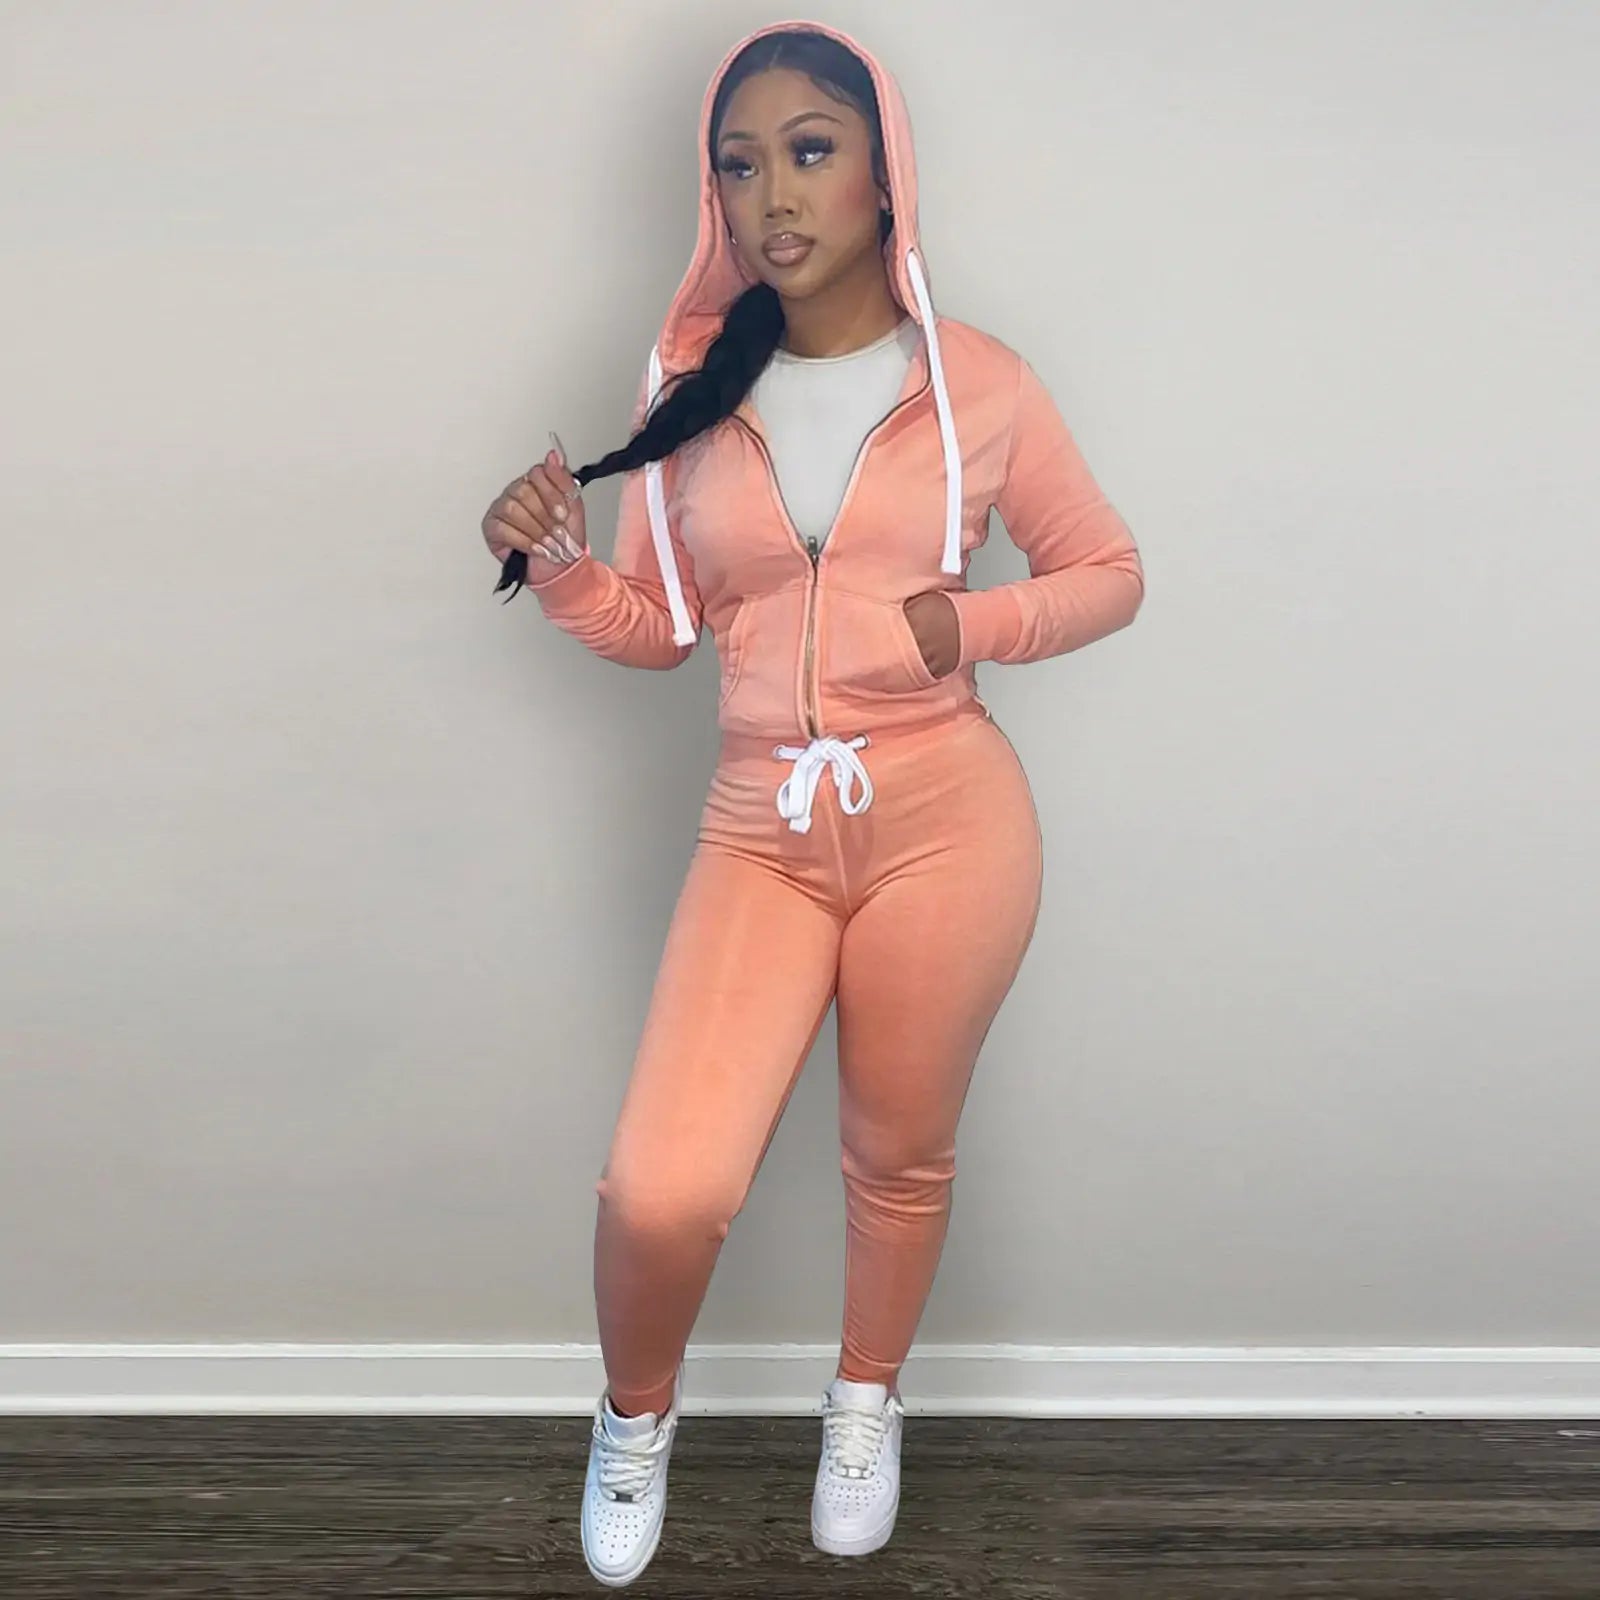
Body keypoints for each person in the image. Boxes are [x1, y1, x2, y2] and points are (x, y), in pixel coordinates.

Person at [479, 17, 1144, 1587]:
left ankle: (864, 1404)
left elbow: (1110, 572)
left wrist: (970, 625)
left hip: (948, 821)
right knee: (667, 1185)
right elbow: (664, 631)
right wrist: (563, 569)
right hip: (760, 831)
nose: (773, 193)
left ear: (882, 171)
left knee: (897, 1155)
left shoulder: (979, 384)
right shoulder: (688, 384)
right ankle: (634, 1419)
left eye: (810, 150)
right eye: (739, 164)